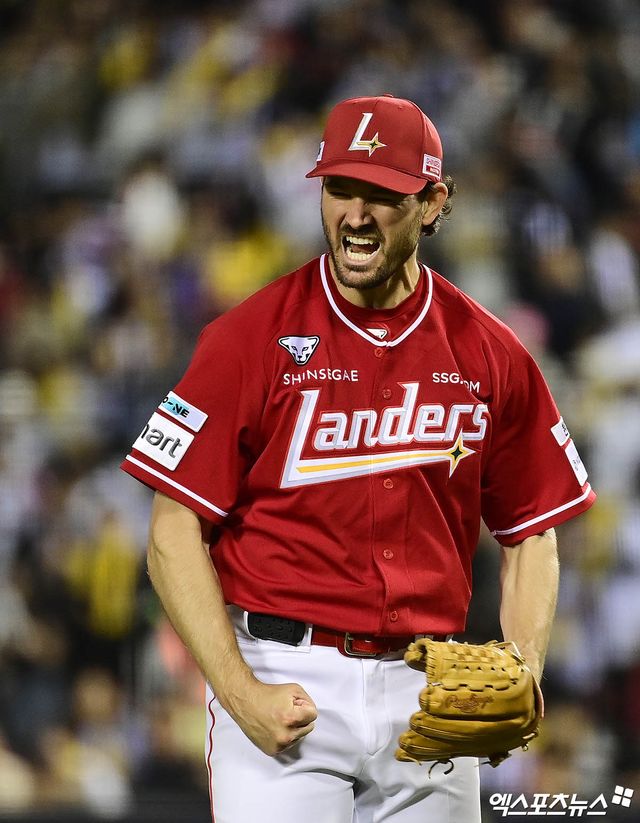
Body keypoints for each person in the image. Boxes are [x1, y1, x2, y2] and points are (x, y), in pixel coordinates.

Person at [121, 94, 596, 822]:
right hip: (284, 671)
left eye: (383, 194)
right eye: (341, 189)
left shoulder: (490, 352)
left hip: (431, 684)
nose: (357, 214)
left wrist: (523, 667)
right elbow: (171, 531)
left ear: (432, 203)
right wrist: (239, 692)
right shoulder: (249, 337)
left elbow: (533, 531)